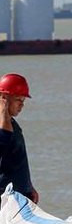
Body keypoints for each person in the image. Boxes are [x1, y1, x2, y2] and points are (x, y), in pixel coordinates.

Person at [0, 73, 38, 203]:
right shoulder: (4, 125)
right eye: (18, 100)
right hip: (7, 200)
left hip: (21, 196)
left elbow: (17, 159)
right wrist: (3, 112)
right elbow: (2, 143)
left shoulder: (11, 123)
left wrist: (29, 186)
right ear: (4, 98)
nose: (22, 105)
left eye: (23, 101)